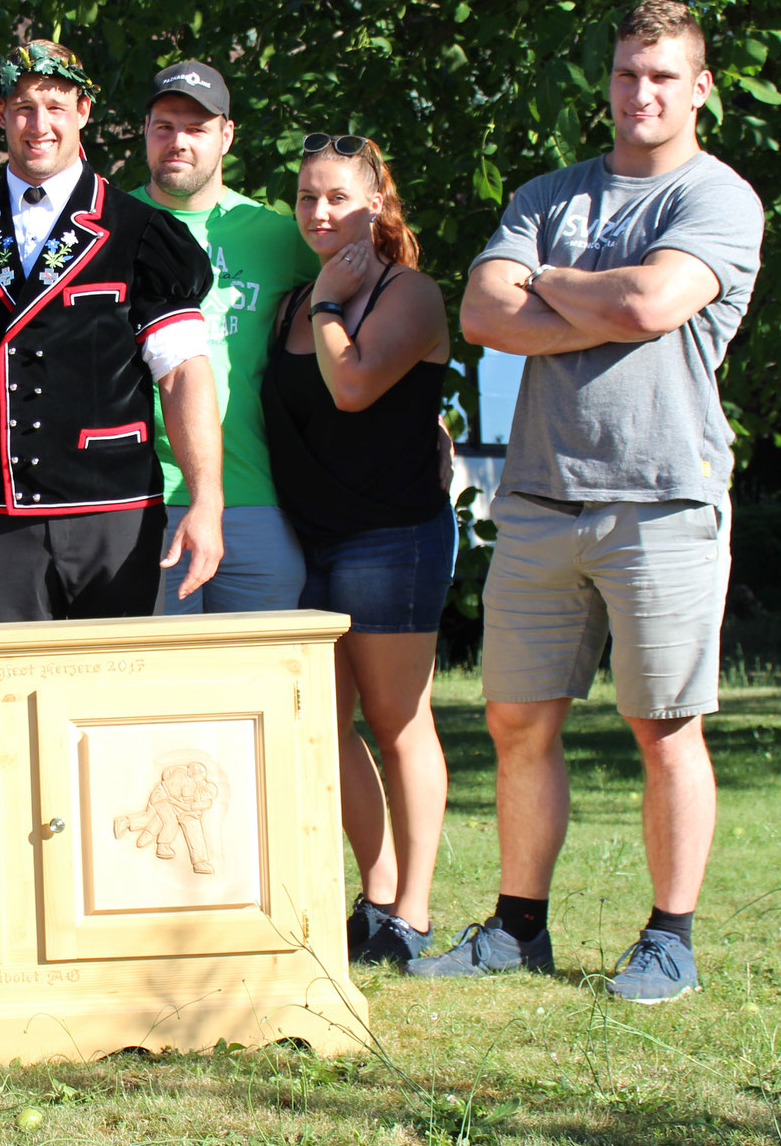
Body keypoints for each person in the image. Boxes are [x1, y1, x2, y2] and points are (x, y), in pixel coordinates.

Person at [410, 0, 763, 1003]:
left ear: (698, 88)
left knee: (664, 727)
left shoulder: (718, 200)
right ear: (604, 82)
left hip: (662, 500)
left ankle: (668, 938)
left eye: (660, 76)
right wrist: (604, 295)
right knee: (517, 724)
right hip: (535, 499)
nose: (638, 92)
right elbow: (482, 312)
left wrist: (554, 288)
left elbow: (655, 305)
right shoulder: (547, 193)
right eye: (623, 73)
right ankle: (516, 927)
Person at [0, 39, 221, 621]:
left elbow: (182, 376)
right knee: (4, 699)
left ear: (83, 112)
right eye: (25, 107)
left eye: (56, 107)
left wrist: (207, 503)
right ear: (2, 114)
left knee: (114, 704)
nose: (39, 125)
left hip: (116, 514)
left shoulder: (141, 234)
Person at [260, 135, 456, 968]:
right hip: (311, 541)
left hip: (393, 537)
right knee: (324, 729)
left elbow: (353, 387)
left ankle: (413, 912)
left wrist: (332, 306)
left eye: (337, 196)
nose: (319, 213)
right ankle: (375, 894)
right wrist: (318, 302)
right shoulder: (292, 303)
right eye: (306, 197)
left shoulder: (408, 294)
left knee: (398, 720)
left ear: (377, 202)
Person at [134, 61, 319, 614]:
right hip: (145, 499)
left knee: (263, 690)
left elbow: (366, 300)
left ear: (226, 135)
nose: (178, 141)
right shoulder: (108, 229)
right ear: (144, 130)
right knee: (154, 695)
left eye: (196, 128)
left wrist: (420, 411)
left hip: (256, 498)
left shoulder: (280, 237)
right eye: (164, 125)